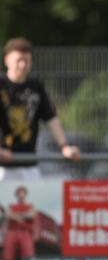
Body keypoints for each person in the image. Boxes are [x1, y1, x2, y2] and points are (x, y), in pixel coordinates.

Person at [0, 37, 81, 180]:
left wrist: (64, 146)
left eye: (27, 60)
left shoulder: (36, 87)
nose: (23, 65)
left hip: (29, 164)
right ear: (7, 60)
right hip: (3, 167)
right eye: (19, 60)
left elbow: (51, 118)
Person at [2, 186, 36, 260]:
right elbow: (8, 215)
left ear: (25, 194)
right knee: (8, 248)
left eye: (22, 193)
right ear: (16, 195)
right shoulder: (12, 206)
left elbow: (31, 215)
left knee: (27, 249)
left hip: (25, 231)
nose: (21, 195)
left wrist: (15, 215)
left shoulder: (30, 206)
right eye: (19, 193)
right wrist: (23, 216)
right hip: (12, 231)